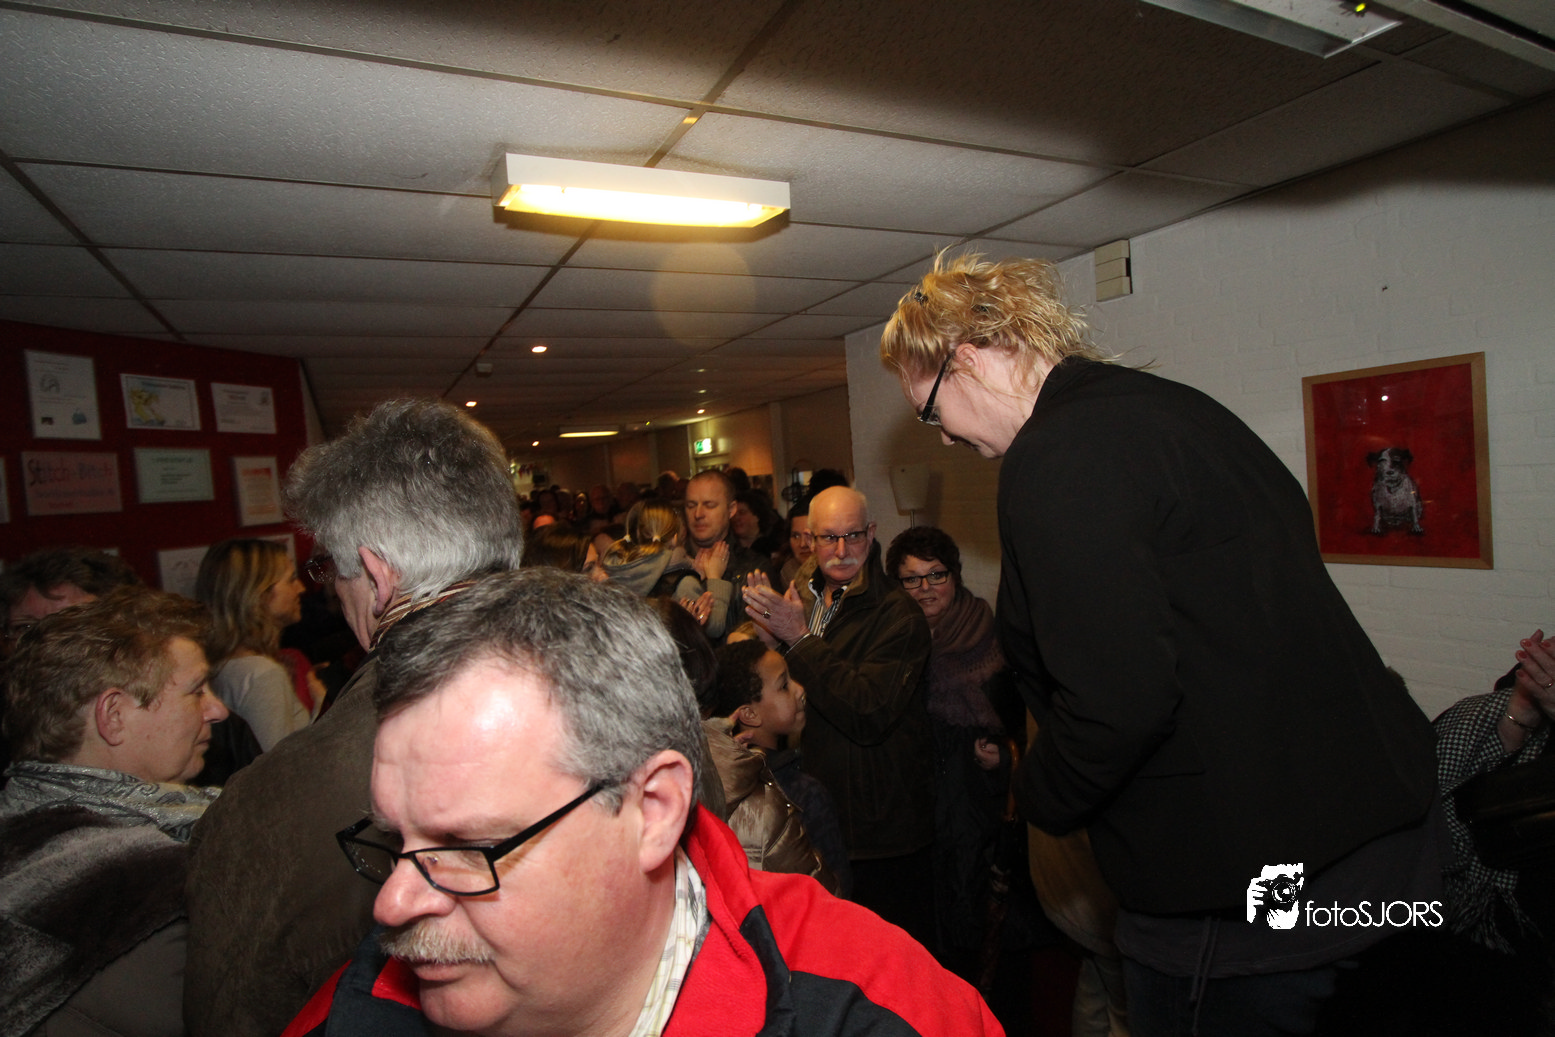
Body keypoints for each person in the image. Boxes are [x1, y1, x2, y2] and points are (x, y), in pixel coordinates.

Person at [880, 252, 1439, 1034]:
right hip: (1383, 845)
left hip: (1248, 883)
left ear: (965, 358)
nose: (942, 437)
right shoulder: (1173, 408)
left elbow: (1120, 702)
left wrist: (1032, 794)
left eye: (931, 412)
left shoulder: (1056, 452)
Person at [280, 568, 1002, 1037]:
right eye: (395, 841)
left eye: (468, 848)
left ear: (653, 810)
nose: (393, 903)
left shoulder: (873, 1008)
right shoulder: (359, 1006)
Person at [183, 398, 525, 1037]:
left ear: (377, 576)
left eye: (328, 572)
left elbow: (234, 1011)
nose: (331, 592)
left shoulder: (269, 802)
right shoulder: (625, 676)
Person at [1, 587, 227, 1035]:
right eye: (196, 691)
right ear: (114, 715)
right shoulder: (152, 878)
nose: (218, 709)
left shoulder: (20, 824)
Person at [742, 486, 936, 949]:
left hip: (877, 833)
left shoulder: (898, 615)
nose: (842, 550)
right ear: (809, 539)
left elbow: (868, 711)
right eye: (828, 538)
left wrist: (798, 640)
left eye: (853, 535)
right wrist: (768, 647)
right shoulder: (804, 598)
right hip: (816, 814)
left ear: (872, 533)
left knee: (890, 962)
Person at [713, 638, 852, 897]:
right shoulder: (804, 794)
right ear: (749, 714)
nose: (800, 690)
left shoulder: (715, 779)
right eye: (784, 686)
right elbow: (837, 891)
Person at [194, 538, 316, 752]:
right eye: (291, 580)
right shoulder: (262, 674)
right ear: (259, 595)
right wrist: (320, 705)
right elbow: (278, 762)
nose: (301, 588)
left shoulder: (216, 663)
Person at [599, 499, 729, 634]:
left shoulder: (613, 576)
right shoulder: (682, 583)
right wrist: (714, 577)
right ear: (674, 538)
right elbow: (714, 628)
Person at [683, 470, 777, 634]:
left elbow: (771, 622)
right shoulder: (672, 565)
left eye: (709, 505)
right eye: (691, 506)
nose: (698, 514)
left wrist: (766, 614)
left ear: (731, 509)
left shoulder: (754, 568)